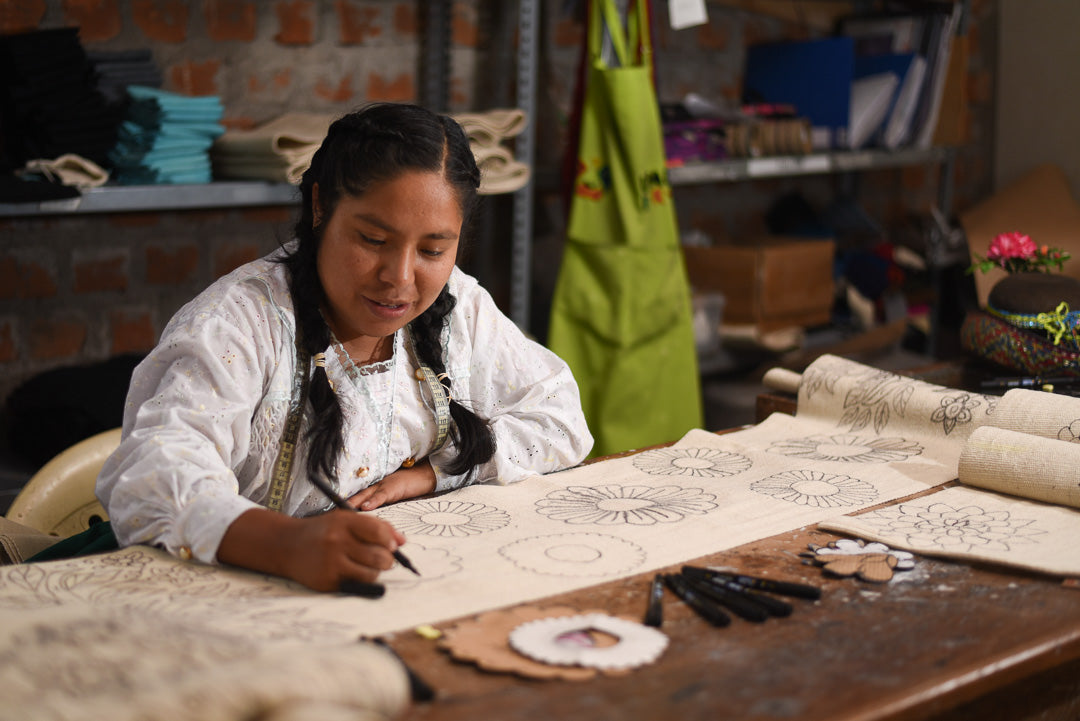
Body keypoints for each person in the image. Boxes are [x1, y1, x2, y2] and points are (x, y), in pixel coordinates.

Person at [96, 103, 593, 592]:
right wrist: (289, 545)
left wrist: (431, 473)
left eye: (432, 250)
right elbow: (154, 476)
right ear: (319, 208)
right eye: (374, 239)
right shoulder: (239, 326)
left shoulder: (458, 304)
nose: (399, 278)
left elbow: (559, 416)